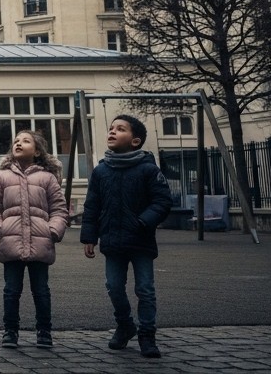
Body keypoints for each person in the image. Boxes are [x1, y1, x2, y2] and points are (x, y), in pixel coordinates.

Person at [80, 114, 173, 359]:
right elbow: (92, 206)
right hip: (112, 240)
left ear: (135, 141)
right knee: (113, 286)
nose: (112, 132)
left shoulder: (148, 169)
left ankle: (147, 335)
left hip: (140, 240)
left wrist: (143, 221)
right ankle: (125, 325)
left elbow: (163, 201)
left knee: (145, 289)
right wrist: (89, 236)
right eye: (110, 128)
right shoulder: (101, 171)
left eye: (120, 129)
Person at [0, 129, 69, 349]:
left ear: (38, 151)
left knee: (41, 290)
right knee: (11, 290)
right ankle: (10, 331)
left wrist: (53, 231)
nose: (19, 143)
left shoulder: (47, 178)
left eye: (26, 141)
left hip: (41, 242)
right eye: (16, 141)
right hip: (10, 241)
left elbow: (59, 209)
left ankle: (44, 331)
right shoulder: (2, 177)